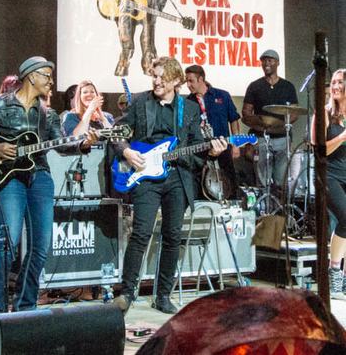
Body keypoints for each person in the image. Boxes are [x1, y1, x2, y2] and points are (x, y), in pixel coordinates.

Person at [0, 56, 99, 328]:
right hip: (9, 179)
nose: (50, 81)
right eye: (47, 75)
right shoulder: (0, 104)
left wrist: (83, 145)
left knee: (40, 247)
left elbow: (61, 144)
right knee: (8, 242)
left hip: (39, 176)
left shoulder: (45, 113)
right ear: (32, 76)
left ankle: (26, 309)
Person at [111, 56, 227, 314]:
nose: (157, 81)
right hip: (146, 175)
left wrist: (213, 152)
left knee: (173, 237)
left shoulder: (190, 108)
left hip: (177, 176)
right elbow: (117, 133)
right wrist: (126, 152)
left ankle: (163, 295)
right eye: (154, 76)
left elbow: (198, 145)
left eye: (163, 77)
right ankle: (127, 293)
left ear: (176, 81)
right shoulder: (140, 101)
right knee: (141, 233)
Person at [311, 69, 346, 299]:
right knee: (345, 217)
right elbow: (319, 149)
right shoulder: (323, 113)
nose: (335, 86)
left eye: (340, 82)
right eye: (333, 82)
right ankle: (334, 272)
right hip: (329, 175)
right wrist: (343, 137)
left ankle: (341, 277)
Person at [242, 49, 298, 189]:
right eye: (264, 60)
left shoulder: (287, 86)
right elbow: (246, 111)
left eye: (270, 60)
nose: (266, 63)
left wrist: (279, 125)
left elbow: (295, 112)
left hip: (282, 138)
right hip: (261, 138)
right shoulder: (254, 86)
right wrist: (256, 122)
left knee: (281, 181)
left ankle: (279, 209)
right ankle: (264, 211)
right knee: (262, 182)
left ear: (277, 63)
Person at [185, 64, 241, 198]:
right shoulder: (188, 102)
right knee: (201, 188)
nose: (188, 85)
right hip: (202, 150)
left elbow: (233, 119)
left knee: (229, 183)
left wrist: (236, 145)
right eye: (186, 81)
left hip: (223, 147)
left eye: (191, 81)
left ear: (201, 79)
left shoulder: (222, 95)